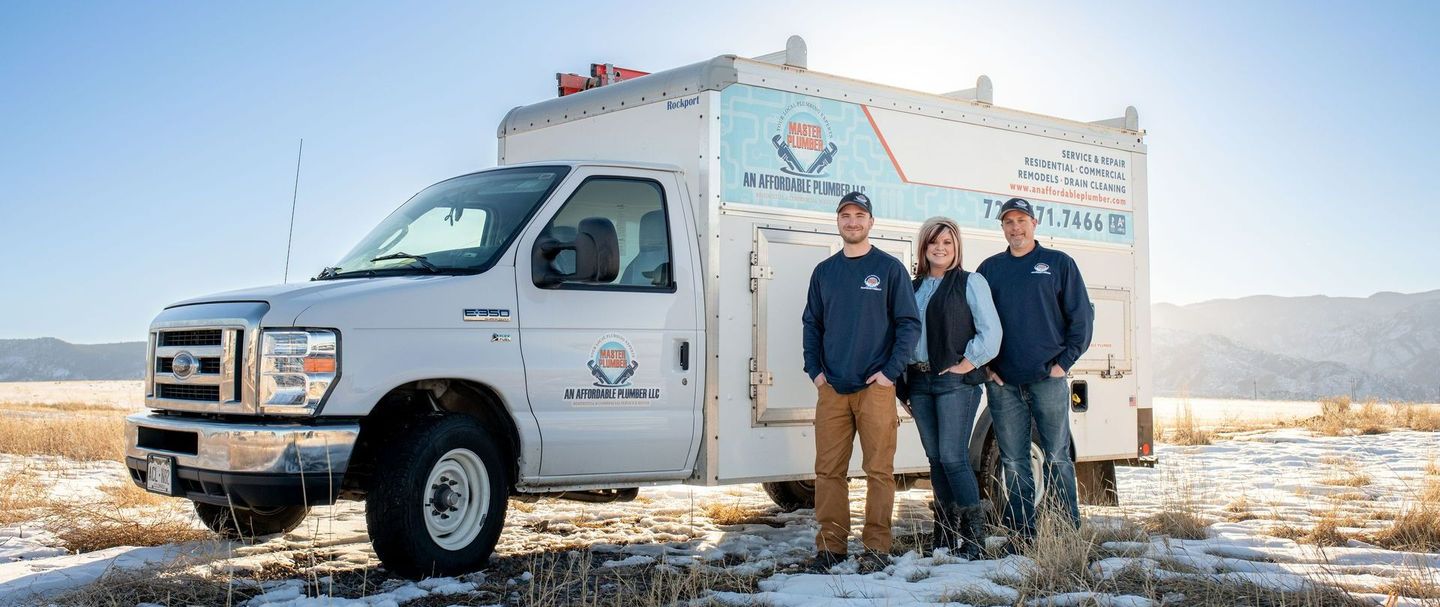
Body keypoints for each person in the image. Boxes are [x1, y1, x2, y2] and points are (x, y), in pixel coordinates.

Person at [802, 191, 921, 568]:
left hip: (875, 389)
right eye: (845, 215)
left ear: (871, 222)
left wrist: (889, 374)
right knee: (828, 471)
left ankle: (876, 549)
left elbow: (908, 324)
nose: (852, 221)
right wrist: (815, 372)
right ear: (838, 222)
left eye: (859, 215)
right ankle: (830, 548)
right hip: (833, 389)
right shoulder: (824, 271)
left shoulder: (888, 269)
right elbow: (812, 324)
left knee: (879, 472)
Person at [976, 198, 1093, 540]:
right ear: (1002, 227)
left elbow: (1081, 319)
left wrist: (1063, 364)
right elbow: (974, 323)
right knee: (1013, 462)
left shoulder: (1058, 264)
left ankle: (1066, 534)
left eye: (1021, 220)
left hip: (1048, 380)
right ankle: (1021, 536)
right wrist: (987, 369)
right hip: (1003, 383)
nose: (1015, 227)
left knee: (1057, 457)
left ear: (1034, 222)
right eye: (1008, 221)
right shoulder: (990, 270)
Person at [902, 216, 1001, 559]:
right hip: (918, 381)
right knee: (935, 460)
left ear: (956, 246)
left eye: (947, 242)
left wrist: (967, 363)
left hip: (955, 382)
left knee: (953, 457)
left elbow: (991, 332)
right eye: (933, 242)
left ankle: (973, 540)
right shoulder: (912, 287)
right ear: (924, 247)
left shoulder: (971, 282)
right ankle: (943, 535)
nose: (940, 248)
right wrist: (903, 386)